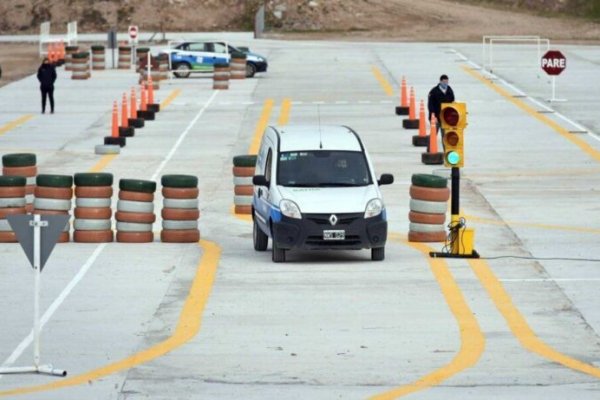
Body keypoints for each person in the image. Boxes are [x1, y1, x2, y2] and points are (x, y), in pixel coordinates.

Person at [427, 74, 455, 150]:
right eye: (444, 81)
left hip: (445, 118)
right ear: (440, 81)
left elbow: (452, 101)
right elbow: (430, 106)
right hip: (435, 117)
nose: (445, 83)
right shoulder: (434, 91)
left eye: (447, 81)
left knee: (445, 136)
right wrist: (433, 117)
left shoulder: (449, 90)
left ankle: (446, 151)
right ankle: (429, 150)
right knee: (433, 134)